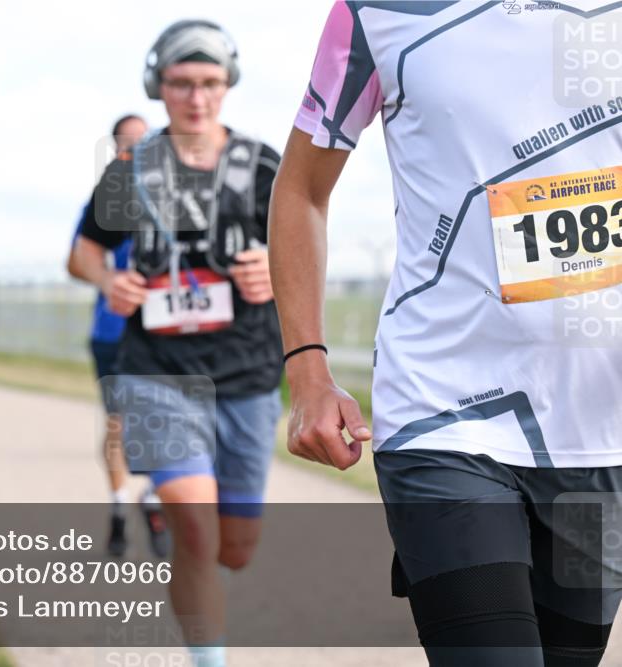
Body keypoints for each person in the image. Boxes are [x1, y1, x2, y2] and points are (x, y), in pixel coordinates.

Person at [270, 3, 622, 666]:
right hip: (443, 409)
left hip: (598, 428)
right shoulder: (373, 13)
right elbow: (301, 188)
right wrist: (308, 370)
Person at [72, 20, 283, 666]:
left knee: (234, 546)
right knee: (194, 526)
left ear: (229, 86)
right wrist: (111, 279)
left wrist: (275, 265)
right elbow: (83, 252)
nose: (197, 97)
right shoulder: (133, 169)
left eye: (211, 83)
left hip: (247, 371)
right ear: (158, 86)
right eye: (182, 83)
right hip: (156, 372)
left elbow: (305, 245)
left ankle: (201, 594)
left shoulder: (260, 165)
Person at [68, 113, 171, 559]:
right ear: (115, 150)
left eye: (144, 139)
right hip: (114, 331)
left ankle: (151, 496)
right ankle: (118, 506)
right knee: (118, 424)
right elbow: (76, 261)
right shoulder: (104, 201)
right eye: (128, 142)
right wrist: (112, 280)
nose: (137, 147)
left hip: (167, 331)